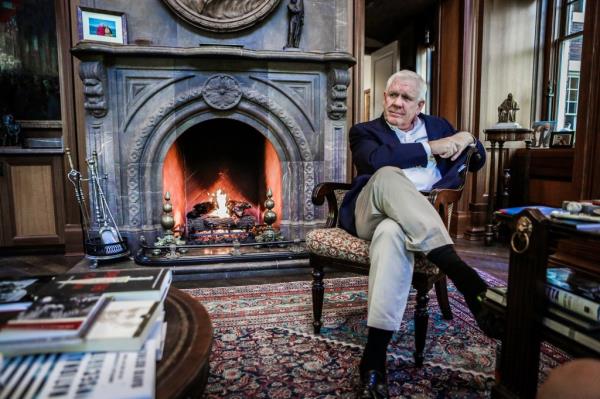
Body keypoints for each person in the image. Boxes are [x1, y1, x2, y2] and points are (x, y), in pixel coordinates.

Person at [338, 70, 501, 398]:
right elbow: (375, 160)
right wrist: (433, 148)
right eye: (392, 95)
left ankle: (373, 360)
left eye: (406, 98)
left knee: (391, 235)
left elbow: (477, 159)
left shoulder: (439, 125)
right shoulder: (364, 131)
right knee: (386, 173)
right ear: (384, 97)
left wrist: (468, 137)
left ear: (420, 104)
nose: (396, 103)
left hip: (412, 219)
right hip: (371, 207)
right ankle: (463, 276)